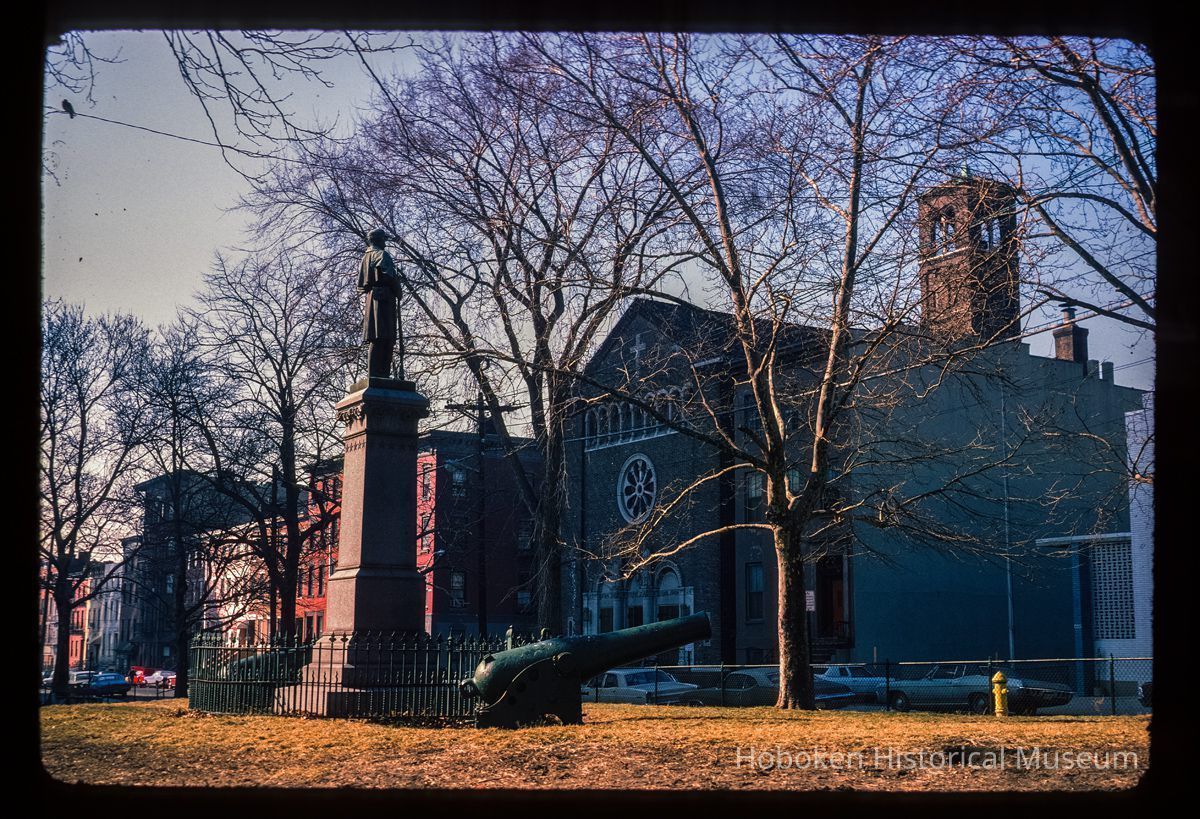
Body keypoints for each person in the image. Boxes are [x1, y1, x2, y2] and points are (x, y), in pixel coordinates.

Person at [358, 228, 404, 379]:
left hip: (372, 299)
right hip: (384, 298)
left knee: (377, 337)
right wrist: (398, 288)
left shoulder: (366, 257)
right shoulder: (382, 254)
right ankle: (381, 374)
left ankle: (377, 374)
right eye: (384, 238)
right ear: (378, 239)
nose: (385, 241)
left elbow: (363, 284)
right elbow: (387, 277)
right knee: (385, 336)